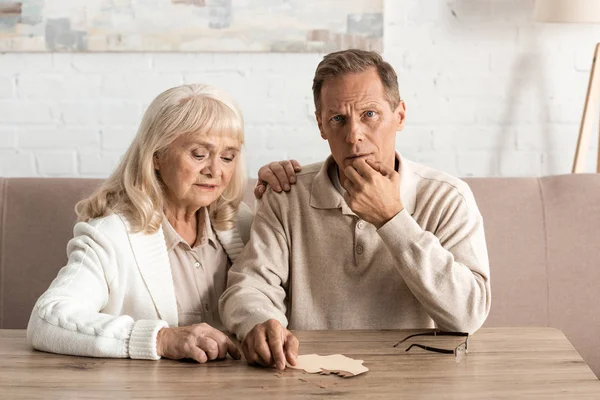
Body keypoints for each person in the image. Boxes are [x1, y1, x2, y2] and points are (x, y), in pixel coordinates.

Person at [219, 49, 492, 371]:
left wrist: (391, 219)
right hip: (308, 376)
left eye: (370, 114)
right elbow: (250, 285)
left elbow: (467, 316)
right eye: (337, 119)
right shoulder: (286, 195)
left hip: (418, 377)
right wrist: (258, 320)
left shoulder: (447, 197)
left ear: (400, 116)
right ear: (321, 125)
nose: (353, 135)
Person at [27, 84, 299, 363]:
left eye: (228, 157)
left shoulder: (240, 224)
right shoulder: (111, 235)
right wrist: (161, 339)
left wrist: (294, 191)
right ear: (156, 156)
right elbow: (47, 319)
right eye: (199, 154)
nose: (215, 171)